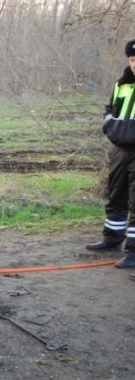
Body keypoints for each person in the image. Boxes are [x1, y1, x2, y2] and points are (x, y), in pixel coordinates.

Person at [87, 39, 135, 269]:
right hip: (119, 148)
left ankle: (133, 252)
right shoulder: (121, 84)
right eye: (133, 60)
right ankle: (112, 238)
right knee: (116, 194)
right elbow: (110, 108)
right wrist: (108, 124)